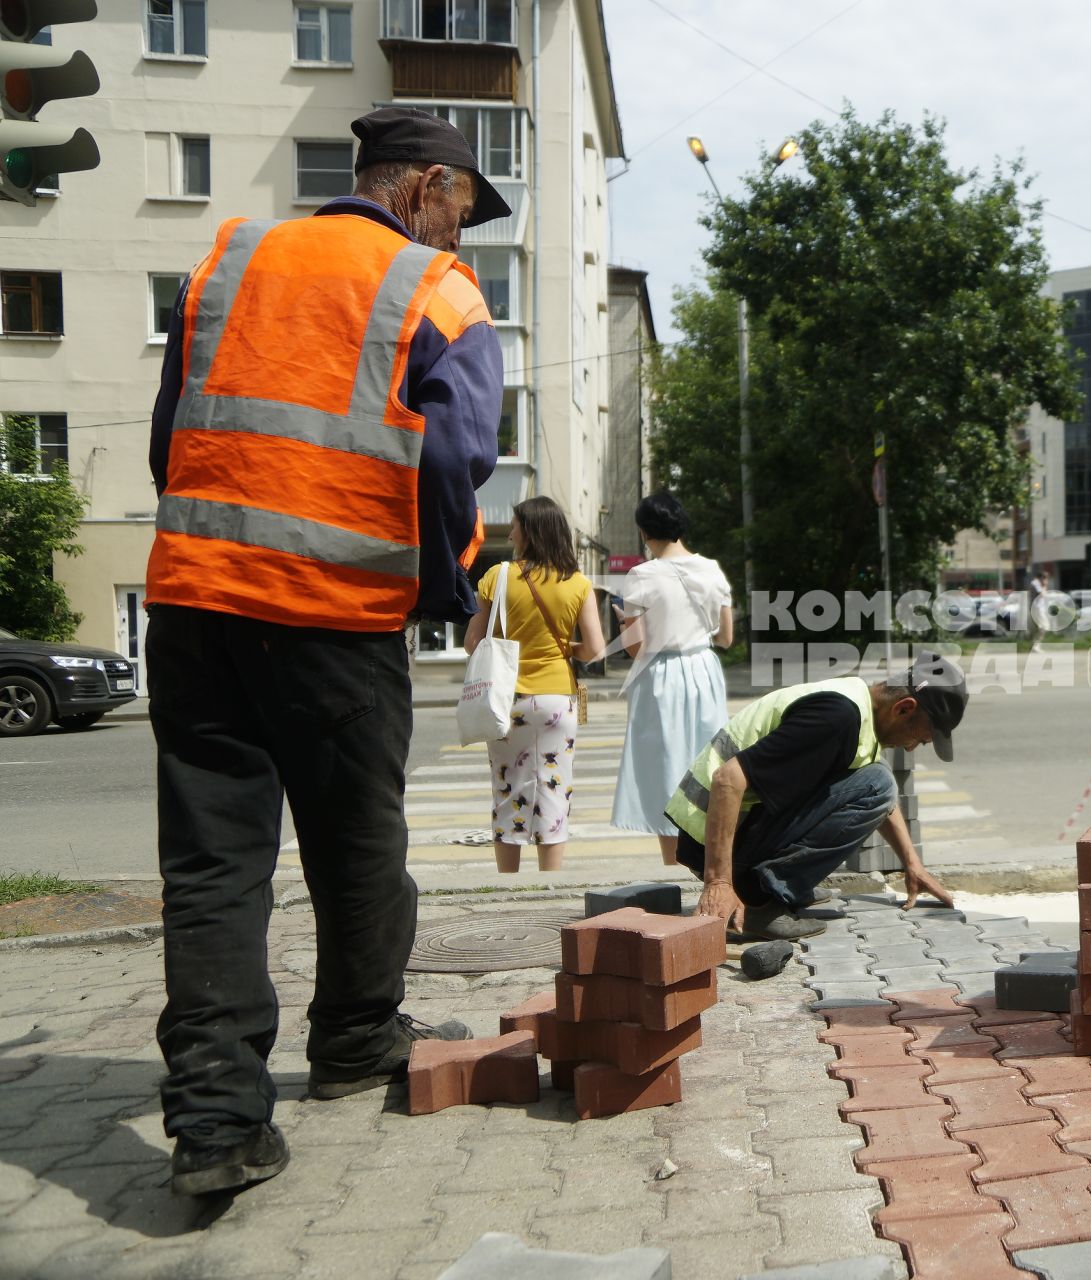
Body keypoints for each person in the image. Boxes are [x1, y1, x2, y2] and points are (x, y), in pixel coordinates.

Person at [145, 106, 511, 1196]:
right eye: (459, 211)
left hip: (197, 604)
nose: (459, 236)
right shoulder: (434, 288)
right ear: (421, 188)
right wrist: (440, 587)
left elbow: (174, 429)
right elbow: (456, 457)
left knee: (212, 865)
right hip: (335, 611)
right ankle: (353, 1035)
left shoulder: (231, 256)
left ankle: (215, 1124)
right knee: (355, 842)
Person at [665, 651, 965, 941]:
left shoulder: (857, 705)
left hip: (723, 836)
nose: (912, 748)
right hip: (712, 844)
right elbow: (727, 779)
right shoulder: (835, 720)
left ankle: (775, 883)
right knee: (880, 781)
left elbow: (879, 799)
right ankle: (759, 899)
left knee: (877, 777)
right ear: (904, 708)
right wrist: (719, 882)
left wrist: (912, 865)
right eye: (920, 739)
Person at [464, 495, 607, 874]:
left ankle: (508, 880)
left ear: (528, 531)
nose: (510, 532)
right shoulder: (577, 583)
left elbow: (471, 644)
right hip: (558, 700)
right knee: (554, 788)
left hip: (508, 700)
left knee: (507, 787)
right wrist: (564, 646)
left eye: (514, 525)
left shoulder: (499, 576)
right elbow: (594, 649)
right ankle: (551, 881)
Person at [610, 492, 734, 864]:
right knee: (710, 766)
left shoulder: (641, 576)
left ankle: (674, 864)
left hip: (660, 676)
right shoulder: (711, 569)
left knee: (666, 770)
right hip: (703, 669)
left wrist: (622, 621)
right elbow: (726, 638)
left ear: (645, 531)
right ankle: (713, 859)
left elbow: (637, 648)